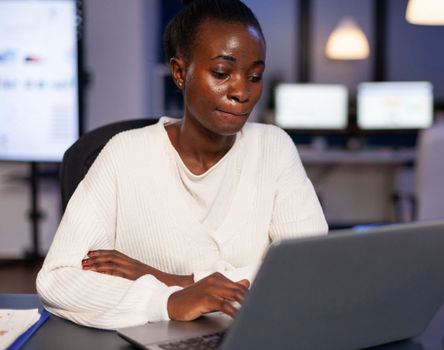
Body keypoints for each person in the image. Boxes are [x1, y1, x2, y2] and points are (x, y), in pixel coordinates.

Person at [37, 0, 328, 330]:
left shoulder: (274, 148)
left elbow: (309, 271)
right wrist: (169, 301)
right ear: (179, 72)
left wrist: (171, 278)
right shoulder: (125, 154)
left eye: (254, 76)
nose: (241, 91)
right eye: (221, 73)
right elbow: (58, 280)